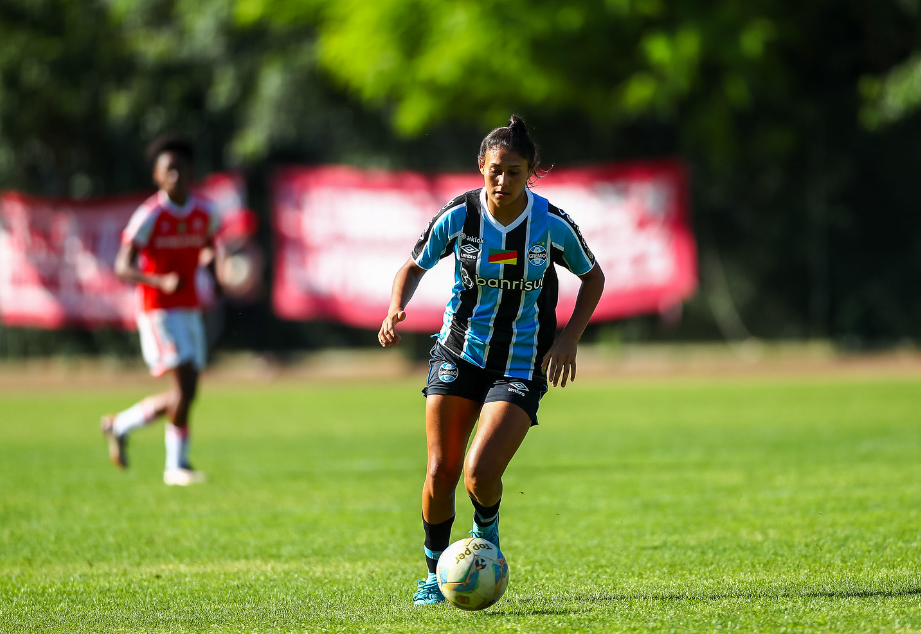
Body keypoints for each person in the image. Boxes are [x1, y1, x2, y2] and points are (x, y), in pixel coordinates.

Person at [378, 115, 605, 605]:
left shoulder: (551, 224)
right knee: (441, 470)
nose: (502, 180)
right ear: (481, 165)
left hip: (520, 363)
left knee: (480, 472)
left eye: (514, 172)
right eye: (495, 170)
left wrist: (569, 338)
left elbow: (593, 277)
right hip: (459, 352)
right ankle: (435, 575)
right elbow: (412, 267)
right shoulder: (459, 216)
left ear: (531, 172)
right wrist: (396, 306)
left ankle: (486, 531)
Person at [100, 133, 221, 486]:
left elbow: (209, 246)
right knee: (183, 389)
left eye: (181, 168)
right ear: (156, 176)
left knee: (187, 393)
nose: (175, 176)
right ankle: (175, 467)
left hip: (190, 309)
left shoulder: (206, 212)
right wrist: (160, 281)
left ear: (191, 171)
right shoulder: (150, 215)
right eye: (168, 170)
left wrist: (214, 274)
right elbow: (122, 266)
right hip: (158, 311)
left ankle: (120, 425)